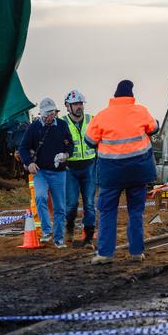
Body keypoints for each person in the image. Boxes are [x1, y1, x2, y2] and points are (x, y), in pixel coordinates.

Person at [85, 80, 159, 265]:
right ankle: (136, 252)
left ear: (115, 96)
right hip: (138, 171)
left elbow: (89, 140)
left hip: (111, 173)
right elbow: (154, 128)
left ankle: (105, 254)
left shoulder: (102, 116)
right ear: (131, 96)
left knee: (107, 211)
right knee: (136, 211)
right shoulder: (141, 111)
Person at [19, 97, 73, 248]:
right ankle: (46, 231)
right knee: (40, 197)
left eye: (53, 113)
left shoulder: (62, 126)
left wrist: (66, 155)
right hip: (40, 171)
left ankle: (58, 238)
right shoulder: (34, 127)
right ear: (41, 114)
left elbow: (70, 146)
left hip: (59, 172)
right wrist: (29, 163)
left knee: (60, 207)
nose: (50, 116)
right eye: (48, 114)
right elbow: (23, 147)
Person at [61, 89, 96, 248]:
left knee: (89, 203)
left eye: (80, 103)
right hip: (71, 169)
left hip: (89, 166)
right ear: (67, 106)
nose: (79, 106)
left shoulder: (92, 120)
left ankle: (88, 238)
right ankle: (69, 228)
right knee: (71, 204)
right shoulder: (62, 123)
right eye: (75, 104)